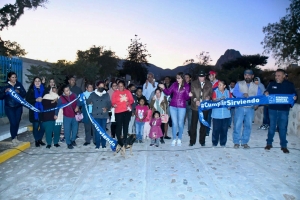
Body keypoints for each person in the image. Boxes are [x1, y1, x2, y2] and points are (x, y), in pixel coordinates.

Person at [264, 69, 297, 153]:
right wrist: (266, 93)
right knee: (271, 127)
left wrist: (295, 97)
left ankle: (284, 146)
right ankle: (269, 143)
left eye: (279, 75)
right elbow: (266, 92)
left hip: (284, 110)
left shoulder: (289, 85)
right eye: (275, 75)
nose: (277, 77)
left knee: (282, 128)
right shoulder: (271, 84)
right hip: (272, 109)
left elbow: (295, 94)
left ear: (284, 76)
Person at [232, 69, 263, 149]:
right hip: (240, 108)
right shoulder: (239, 84)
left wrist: (257, 104)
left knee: (248, 126)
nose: (247, 76)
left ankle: (245, 142)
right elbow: (234, 92)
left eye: (249, 75)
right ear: (244, 76)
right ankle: (236, 142)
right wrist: (242, 94)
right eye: (246, 75)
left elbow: (259, 97)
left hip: (250, 108)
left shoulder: (256, 86)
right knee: (237, 125)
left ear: (252, 76)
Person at [159, 72, 190, 146]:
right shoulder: (174, 84)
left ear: (182, 78)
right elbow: (168, 93)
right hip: (173, 106)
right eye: (176, 78)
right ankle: (174, 139)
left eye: (179, 78)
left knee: (180, 123)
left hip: (182, 106)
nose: (177, 79)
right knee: (174, 123)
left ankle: (179, 139)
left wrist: (189, 96)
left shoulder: (187, 86)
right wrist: (163, 88)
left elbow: (186, 98)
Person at [0, 72, 26, 146]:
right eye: (12, 77)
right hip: (9, 107)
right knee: (13, 122)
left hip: (18, 106)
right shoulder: (5, 85)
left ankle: (15, 138)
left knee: (17, 122)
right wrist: (5, 92)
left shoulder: (19, 84)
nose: (14, 79)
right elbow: (1, 96)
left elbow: (24, 93)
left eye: (15, 77)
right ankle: (13, 138)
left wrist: (19, 92)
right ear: (9, 78)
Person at [189, 70, 212, 146]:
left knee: (203, 124)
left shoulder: (209, 83)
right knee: (193, 125)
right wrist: (196, 100)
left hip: (205, 107)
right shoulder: (193, 83)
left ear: (205, 76)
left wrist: (209, 97)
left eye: (202, 76)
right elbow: (192, 94)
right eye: (199, 76)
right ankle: (192, 141)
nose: (201, 78)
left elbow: (211, 94)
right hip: (195, 107)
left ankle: (202, 141)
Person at [87, 81, 111, 150]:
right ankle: (97, 144)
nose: (101, 87)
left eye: (102, 86)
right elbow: (87, 102)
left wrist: (107, 108)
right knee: (97, 130)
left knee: (103, 130)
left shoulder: (106, 94)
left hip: (104, 115)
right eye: (100, 86)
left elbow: (109, 104)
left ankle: (103, 144)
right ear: (97, 86)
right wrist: (88, 101)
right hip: (96, 115)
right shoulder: (93, 94)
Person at [55, 85, 79, 149]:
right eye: (66, 91)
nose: (68, 92)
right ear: (63, 91)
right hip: (67, 117)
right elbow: (57, 107)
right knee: (67, 130)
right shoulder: (61, 98)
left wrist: (77, 107)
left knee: (75, 129)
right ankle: (68, 143)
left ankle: (73, 140)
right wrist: (56, 114)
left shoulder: (74, 95)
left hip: (74, 116)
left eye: (68, 90)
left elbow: (78, 102)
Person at [111, 80, 134, 147]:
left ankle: (125, 140)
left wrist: (129, 102)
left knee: (125, 126)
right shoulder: (115, 93)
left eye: (122, 86)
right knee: (119, 126)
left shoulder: (127, 92)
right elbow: (112, 102)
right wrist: (114, 104)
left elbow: (131, 100)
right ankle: (119, 141)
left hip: (127, 111)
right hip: (118, 112)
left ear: (124, 86)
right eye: (119, 86)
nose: (120, 87)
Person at [26, 77, 46, 147]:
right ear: (33, 82)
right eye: (36, 81)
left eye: (39, 81)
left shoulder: (44, 90)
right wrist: (36, 100)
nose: (37, 82)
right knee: (36, 126)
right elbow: (28, 100)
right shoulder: (31, 90)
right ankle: (37, 140)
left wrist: (42, 99)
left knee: (43, 127)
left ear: (41, 82)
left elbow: (47, 99)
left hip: (42, 111)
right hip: (34, 112)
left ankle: (40, 139)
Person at [211, 80, 232, 147]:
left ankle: (223, 143)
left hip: (226, 114)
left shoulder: (228, 92)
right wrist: (220, 99)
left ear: (224, 86)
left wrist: (230, 106)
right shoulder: (215, 92)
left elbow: (231, 101)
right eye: (218, 85)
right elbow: (213, 100)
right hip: (216, 114)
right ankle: (214, 142)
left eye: (220, 85)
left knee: (224, 129)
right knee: (216, 129)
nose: (219, 86)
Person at [206, 70, 219, 136]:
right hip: (210, 102)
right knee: (208, 116)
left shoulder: (219, 83)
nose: (209, 76)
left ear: (214, 75)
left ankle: (216, 131)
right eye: (209, 75)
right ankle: (207, 131)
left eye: (211, 75)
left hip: (217, 103)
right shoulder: (208, 83)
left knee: (216, 117)